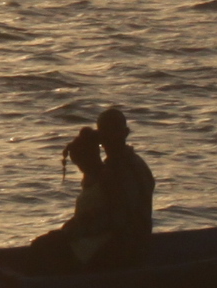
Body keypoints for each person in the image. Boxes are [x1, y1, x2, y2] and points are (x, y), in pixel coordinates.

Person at [25, 106, 155, 274]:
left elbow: (118, 220)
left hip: (124, 246)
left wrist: (71, 232)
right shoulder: (109, 168)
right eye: (105, 131)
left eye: (114, 130)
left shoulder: (124, 170)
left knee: (46, 248)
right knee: (44, 244)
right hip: (117, 239)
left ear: (125, 133)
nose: (109, 137)